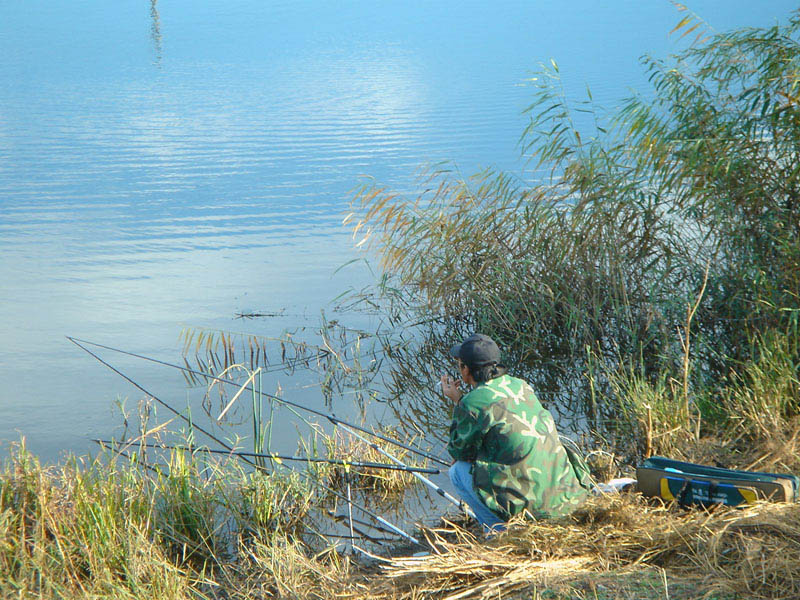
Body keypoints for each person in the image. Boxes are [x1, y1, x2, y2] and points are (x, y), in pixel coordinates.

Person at [441, 333, 590, 532]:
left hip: (535, 511)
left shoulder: (472, 403)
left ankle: (497, 532)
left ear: (466, 370)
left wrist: (459, 402)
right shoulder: (521, 385)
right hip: (569, 497)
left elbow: (458, 451)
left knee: (457, 471)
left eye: (460, 365)